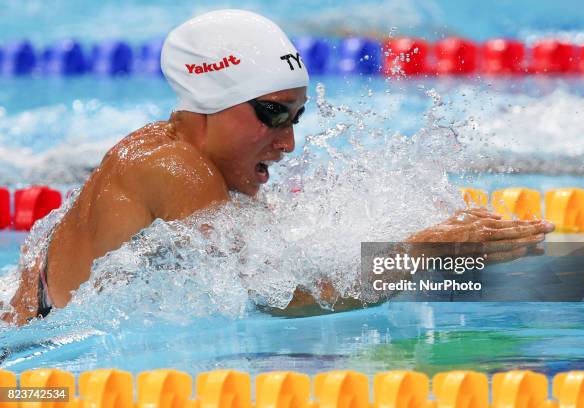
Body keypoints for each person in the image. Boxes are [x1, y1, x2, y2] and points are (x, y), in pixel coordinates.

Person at [1, 10, 554, 326]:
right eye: (270, 114)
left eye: (295, 116)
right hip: (34, 377)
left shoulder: (193, 157)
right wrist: (414, 259)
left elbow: (274, 263)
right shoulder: (176, 170)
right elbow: (277, 297)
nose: (287, 142)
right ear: (208, 107)